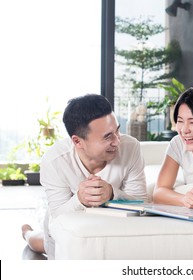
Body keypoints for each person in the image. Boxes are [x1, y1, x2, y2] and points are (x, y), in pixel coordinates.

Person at [22, 94, 147, 259]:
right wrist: (79, 199)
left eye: (117, 131)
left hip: (111, 225)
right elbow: (59, 216)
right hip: (62, 227)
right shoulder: (55, 161)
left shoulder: (131, 147)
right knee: (38, 243)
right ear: (77, 141)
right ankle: (28, 234)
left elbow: (142, 205)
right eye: (108, 136)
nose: (117, 141)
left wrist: (111, 194)